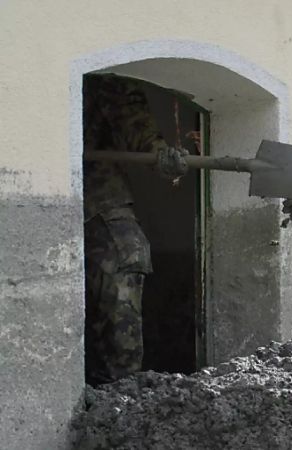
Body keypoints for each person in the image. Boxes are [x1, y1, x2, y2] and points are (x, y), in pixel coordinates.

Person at [82, 74, 188, 384]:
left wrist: (158, 152)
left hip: (95, 189)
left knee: (126, 251)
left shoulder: (103, 71)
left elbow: (128, 113)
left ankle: (118, 392)